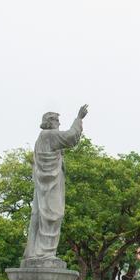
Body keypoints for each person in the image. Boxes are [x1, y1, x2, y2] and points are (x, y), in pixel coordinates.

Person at [24, 104, 87, 261]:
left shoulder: (43, 138)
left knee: (45, 215)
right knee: (52, 215)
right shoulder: (48, 135)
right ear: (50, 122)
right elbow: (71, 137)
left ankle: (40, 251)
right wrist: (79, 118)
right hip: (49, 184)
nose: (59, 123)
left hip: (49, 182)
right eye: (57, 120)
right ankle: (44, 253)